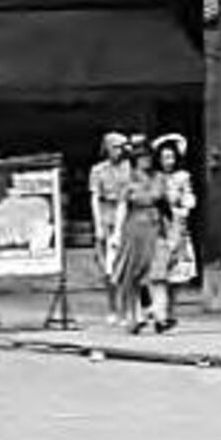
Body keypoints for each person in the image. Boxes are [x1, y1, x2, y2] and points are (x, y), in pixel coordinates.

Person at [94, 133, 157, 330]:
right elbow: (100, 199)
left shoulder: (133, 171)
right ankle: (122, 311)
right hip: (115, 222)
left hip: (142, 224)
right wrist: (104, 228)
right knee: (116, 269)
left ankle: (145, 311)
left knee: (140, 269)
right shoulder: (101, 171)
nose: (120, 150)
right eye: (115, 146)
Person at [139, 133, 198, 333]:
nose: (168, 162)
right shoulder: (153, 178)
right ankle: (160, 314)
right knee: (158, 275)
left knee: (175, 277)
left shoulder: (183, 177)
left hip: (178, 227)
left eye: (171, 157)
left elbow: (189, 198)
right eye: (164, 157)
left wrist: (185, 206)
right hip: (158, 227)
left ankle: (167, 313)